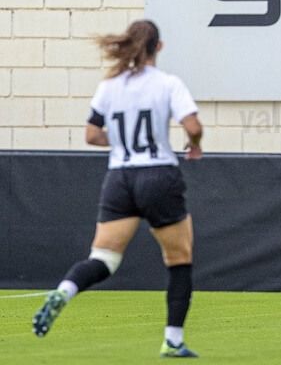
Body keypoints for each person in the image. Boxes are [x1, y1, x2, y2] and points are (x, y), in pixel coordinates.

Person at [32, 20, 204, 357]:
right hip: (158, 175)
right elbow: (193, 125)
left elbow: (91, 134)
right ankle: (173, 340)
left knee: (104, 259)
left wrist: (124, 142)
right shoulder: (168, 84)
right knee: (179, 259)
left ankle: (65, 290)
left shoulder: (109, 87)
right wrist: (194, 144)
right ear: (158, 47)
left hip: (120, 179)